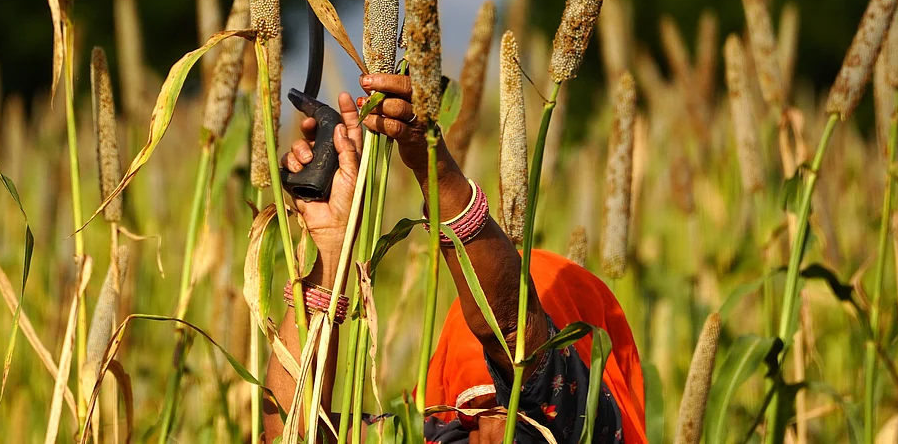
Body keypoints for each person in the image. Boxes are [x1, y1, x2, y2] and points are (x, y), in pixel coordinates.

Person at [263, 73, 647, 443]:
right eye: (474, 398)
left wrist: (437, 167)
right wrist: (332, 241)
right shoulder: (439, 435)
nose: (490, 416)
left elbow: (510, 330)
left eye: (514, 390)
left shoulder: (582, 427)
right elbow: (291, 432)